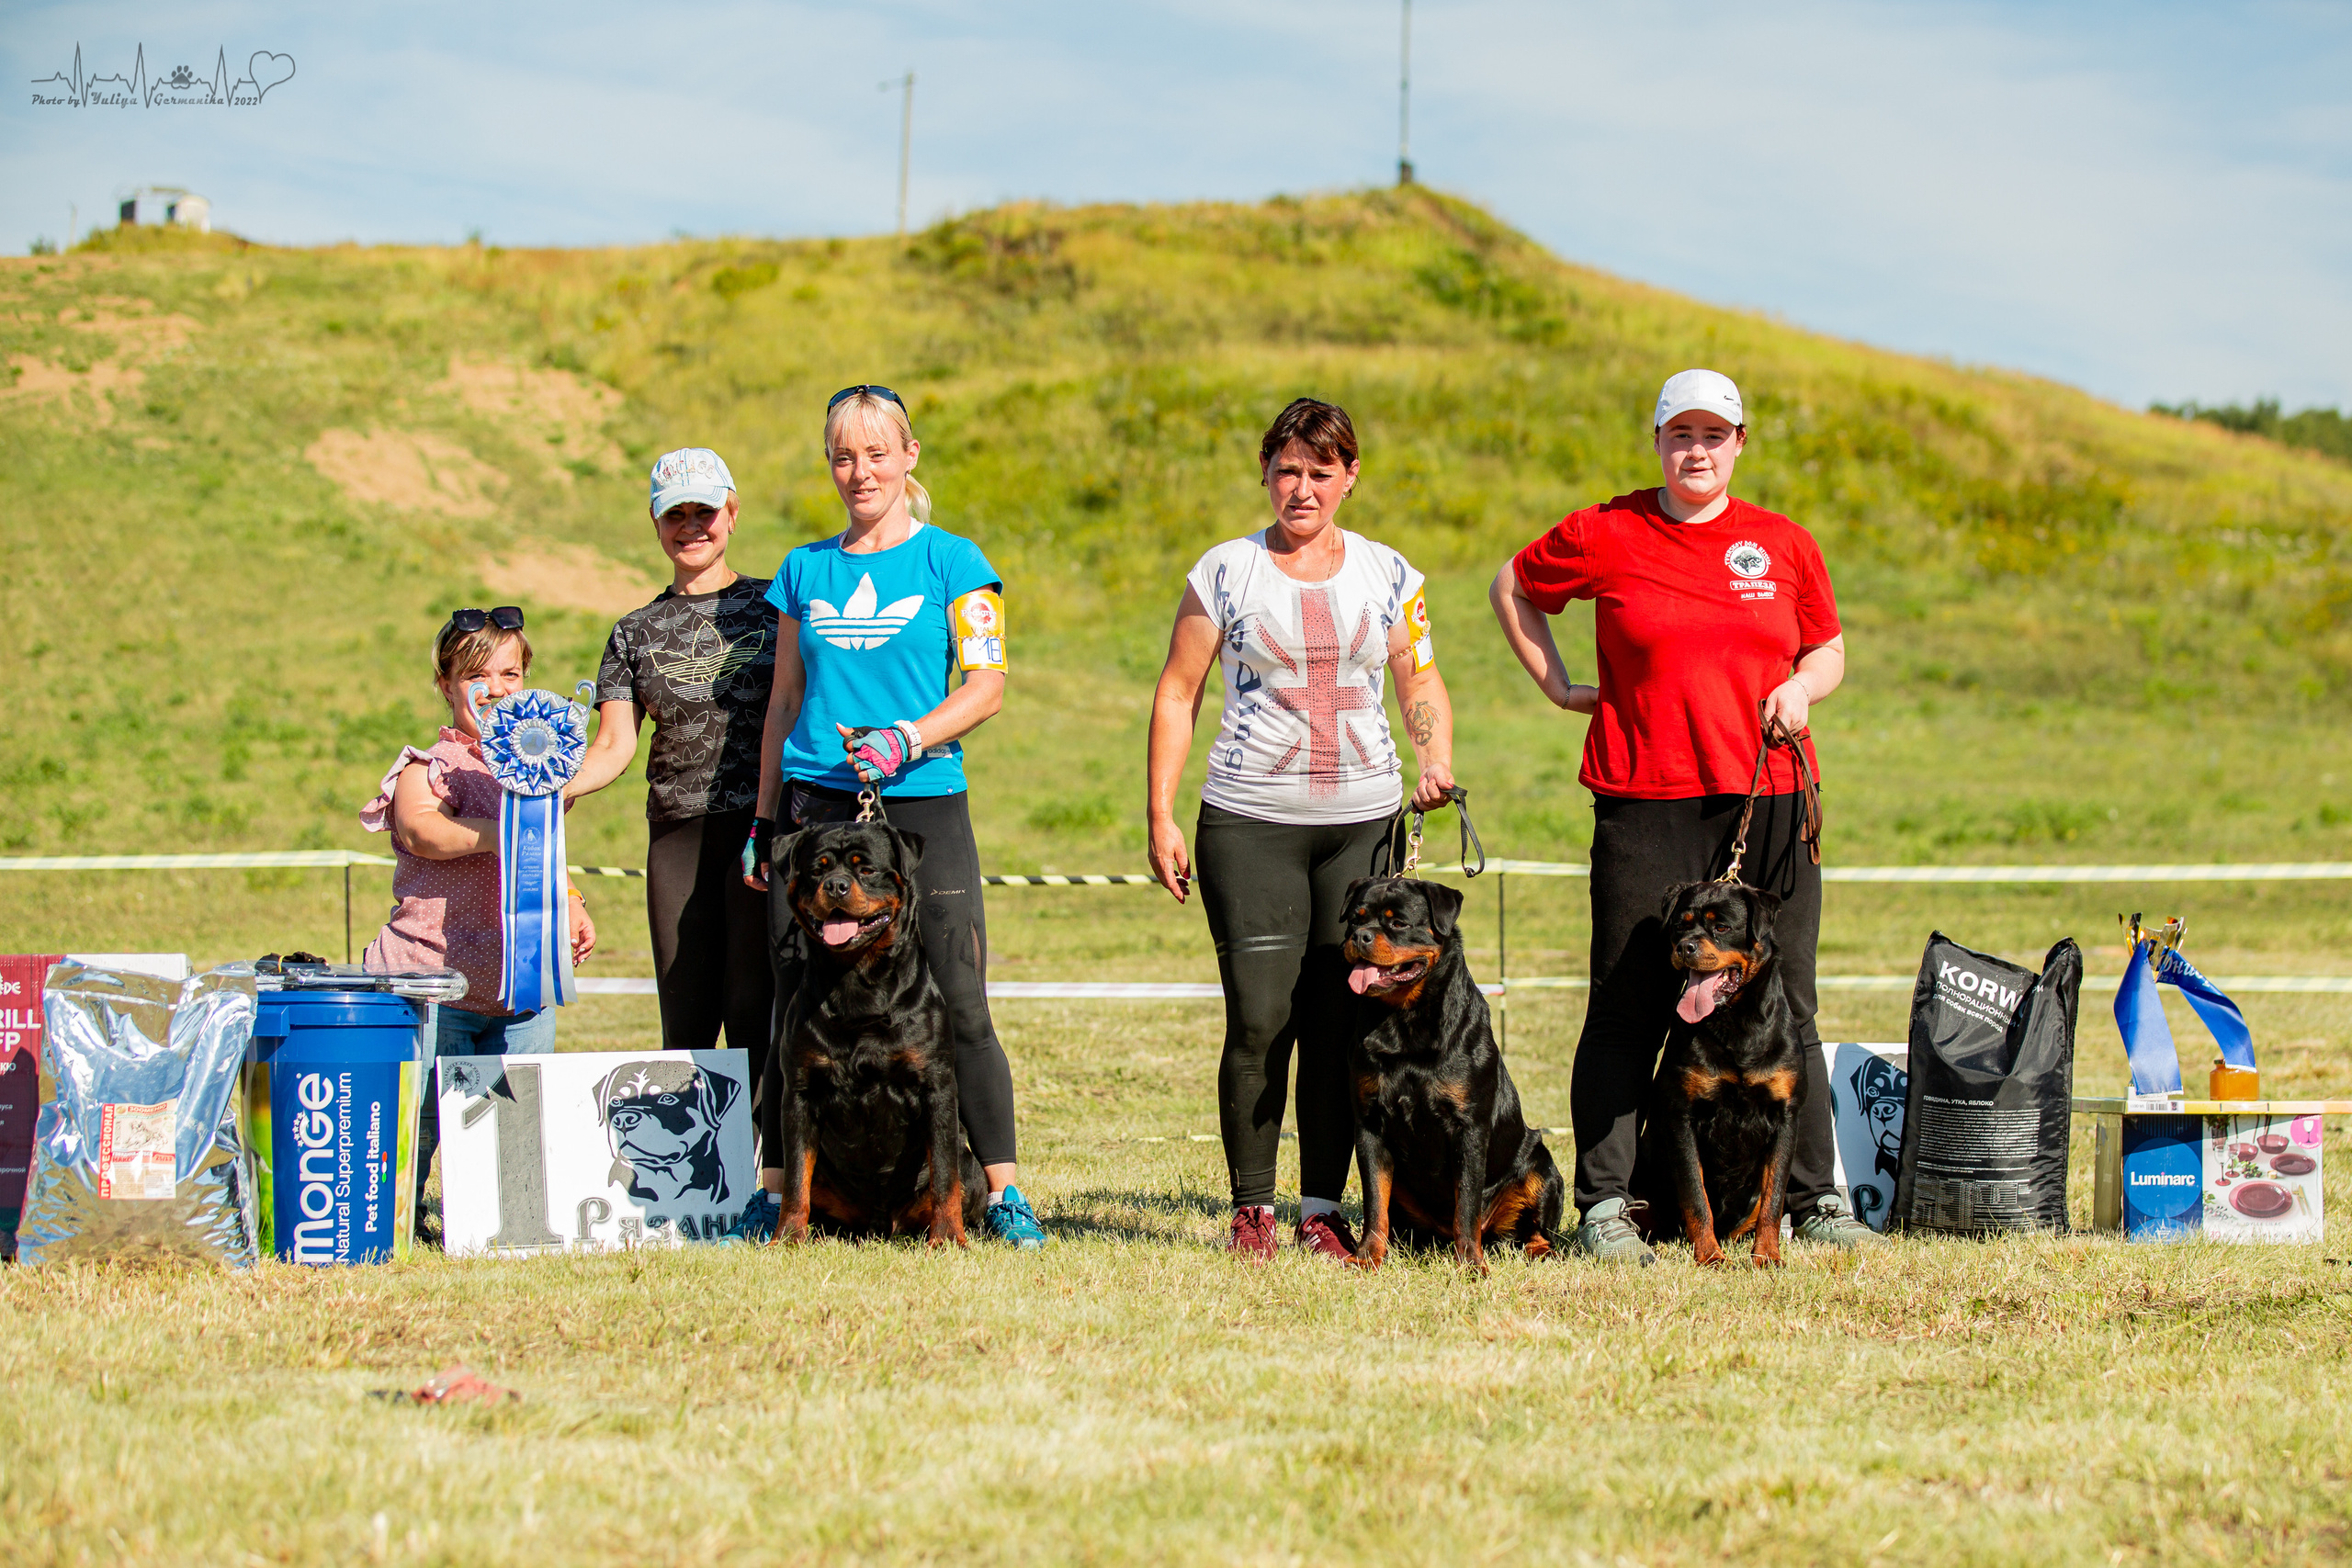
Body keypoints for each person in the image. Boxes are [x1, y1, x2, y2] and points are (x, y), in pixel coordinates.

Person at [1487, 367, 1879, 1263]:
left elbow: (1826, 648)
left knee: (1791, 999)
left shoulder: (1782, 543)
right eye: (1679, 435)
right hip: (1644, 802)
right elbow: (1513, 585)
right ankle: (1608, 1206)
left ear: (1739, 442)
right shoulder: (1609, 530)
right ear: (1656, 441)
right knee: (1630, 1006)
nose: (1695, 450)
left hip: (1769, 797)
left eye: (1713, 435)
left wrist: (1801, 686)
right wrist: (1554, 683)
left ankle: (1816, 1199)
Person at [723, 384, 1047, 1250]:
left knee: (962, 999)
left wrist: (907, 735)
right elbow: (784, 697)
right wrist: (764, 822)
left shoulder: (956, 561)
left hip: (922, 800)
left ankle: (1004, 1192)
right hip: (814, 807)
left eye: (875, 452)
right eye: (842, 454)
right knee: (791, 1005)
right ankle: (776, 1193)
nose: (858, 470)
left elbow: (988, 688)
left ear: (909, 457)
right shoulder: (803, 569)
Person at [1146, 398, 1457, 1263]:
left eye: (1322, 472)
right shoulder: (1225, 571)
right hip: (1250, 823)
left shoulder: (1392, 575)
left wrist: (1432, 760)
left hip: (1363, 826)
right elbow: (1179, 690)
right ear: (1265, 472)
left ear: (1349, 477)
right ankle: (1253, 1209)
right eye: (1288, 469)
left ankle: (1321, 1208)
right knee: (1259, 1020)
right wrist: (1160, 811)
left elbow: (1420, 685)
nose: (1303, 488)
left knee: (1338, 1020)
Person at [361, 606, 595, 1232]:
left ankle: (498, 1228)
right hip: (430, 983)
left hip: (519, 992)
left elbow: (544, 851)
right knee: (419, 1122)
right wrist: (504, 832)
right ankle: (390, 1222)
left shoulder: (540, 767)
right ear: (444, 681)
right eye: (477, 674)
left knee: (515, 1124)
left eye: (511, 673)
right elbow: (422, 827)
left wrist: (569, 898)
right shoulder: (427, 765)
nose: (496, 688)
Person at [568, 448, 776, 1077]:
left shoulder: (780, 605)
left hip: (762, 832)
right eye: (675, 513)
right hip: (678, 839)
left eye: (705, 511)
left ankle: (764, 1174)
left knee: (755, 1013)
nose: (692, 525)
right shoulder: (634, 632)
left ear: (732, 513)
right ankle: (696, 1171)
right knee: (685, 1021)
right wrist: (551, 788)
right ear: (656, 524)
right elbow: (613, 745)